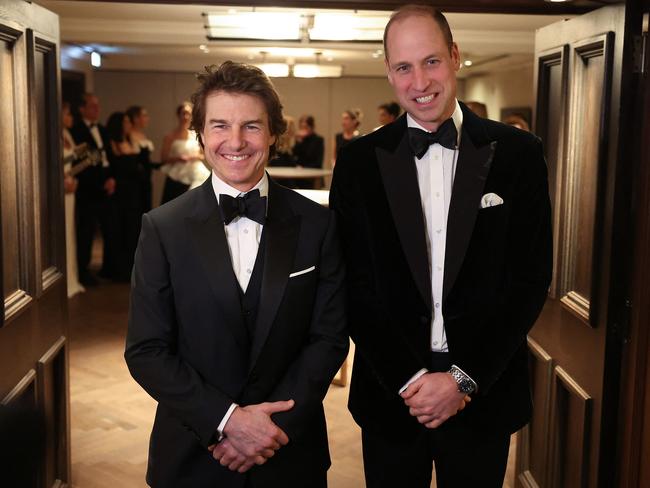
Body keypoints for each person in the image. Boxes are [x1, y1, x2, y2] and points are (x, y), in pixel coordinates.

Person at [329, 5, 552, 488]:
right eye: (403, 67)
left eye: (430, 61)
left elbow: (529, 280)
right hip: (392, 395)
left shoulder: (520, 155)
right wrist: (411, 382)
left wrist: (463, 378)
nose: (419, 81)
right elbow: (353, 285)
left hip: (483, 394)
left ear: (455, 56)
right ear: (389, 72)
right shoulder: (358, 163)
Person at [125, 60, 348, 488]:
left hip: (288, 449)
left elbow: (329, 338)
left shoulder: (318, 225)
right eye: (220, 125)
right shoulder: (162, 227)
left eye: (251, 126)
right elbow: (146, 350)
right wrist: (226, 422)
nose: (235, 141)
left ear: (273, 133)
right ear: (202, 135)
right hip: (193, 452)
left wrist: (268, 429)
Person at [69, 93, 116, 286]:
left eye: (98, 106)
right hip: (88, 189)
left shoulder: (103, 130)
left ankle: (109, 268)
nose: (97, 109)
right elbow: (82, 163)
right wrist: (99, 183)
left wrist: (111, 178)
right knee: (86, 232)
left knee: (110, 229)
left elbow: (109, 156)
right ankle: (83, 271)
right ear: (82, 109)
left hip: (106, 186)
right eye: (92, 106)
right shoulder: (75, 131)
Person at [105, 112, 147, 281]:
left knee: (133, 229)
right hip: (119, 193)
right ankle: (117, 269)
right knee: (118, 230)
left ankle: (132, 267)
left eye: (129, 121)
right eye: (126, 121)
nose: (129, 124)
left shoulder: (131, 141)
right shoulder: (112, 143)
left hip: (134, 192)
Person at [159, 102, 210, 204]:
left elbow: (203, 155)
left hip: (195, 173)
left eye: (189, 114)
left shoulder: (196, 134)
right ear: (178, 115)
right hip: (177, 175)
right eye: (183, 113)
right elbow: (163, 158)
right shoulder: (170, 136)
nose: (186, 117)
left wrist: (194, 156)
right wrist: (178, 158)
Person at [61, 102, 86, 298]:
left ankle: (72, 278)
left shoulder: (67, 135)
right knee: (62, 233)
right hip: (60, 192)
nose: (71, 118)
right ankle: (63, 281)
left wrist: (73, 177)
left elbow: (69, 164)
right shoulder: (53, 136)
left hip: (71, 190)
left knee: (71, 231)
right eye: (68, 114)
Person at [126, 105, 156, 212]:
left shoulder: (143, 135)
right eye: (144, 115)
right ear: (135, 118)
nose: (147, 118)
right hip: (136, 180)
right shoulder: (129, 135)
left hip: (146, 179)